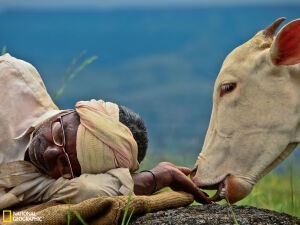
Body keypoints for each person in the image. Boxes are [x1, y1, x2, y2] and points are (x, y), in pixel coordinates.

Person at [0, 54, 210, 210]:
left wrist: (155, 177)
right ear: (71, 112)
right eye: (59, 134)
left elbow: (89, 190)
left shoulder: (51, 184)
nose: (49, 153)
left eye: (64, 164)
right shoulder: (11, 79)